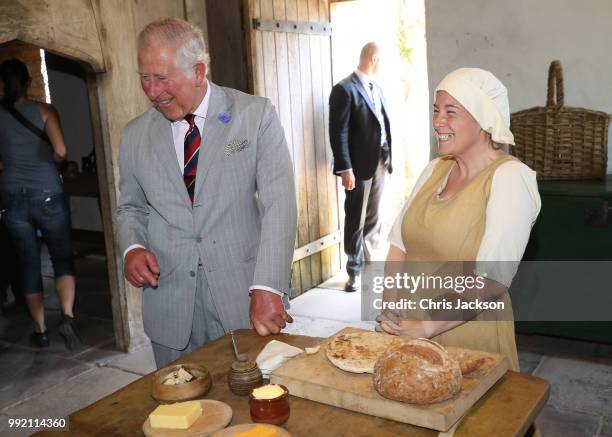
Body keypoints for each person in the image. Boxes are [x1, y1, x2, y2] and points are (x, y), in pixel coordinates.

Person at [117, 18, 297, 368]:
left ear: (199, 72)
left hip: (244, 300)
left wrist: (269, 286)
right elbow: (131, 208)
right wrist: (133, 248)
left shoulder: (254, 117)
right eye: (145, 78)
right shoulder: (135, 135)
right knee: (179, 415)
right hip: (169, 308)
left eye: (163, 79)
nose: (152, 92)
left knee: (255, 411)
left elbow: (280, 205)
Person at [376, 68, 541, 372]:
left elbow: (492, 281)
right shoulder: (434, 170)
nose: (438, 121)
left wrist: (427, 326)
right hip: (410, 330)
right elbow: (399, 246)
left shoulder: (509, 179)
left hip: (467, 337)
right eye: (436, 111)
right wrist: (391, 309)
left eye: (451, 112)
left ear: (483, 120)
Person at [0, 58, 81, 349]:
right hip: (47, 191)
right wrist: (49, 161)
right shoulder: (44, 110)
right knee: (62, 258)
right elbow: (61, 151)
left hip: (11, 196)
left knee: (28, 262)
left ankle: (40, 329)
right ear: (28, 82)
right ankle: (68, 318)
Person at [329, 42, 392, 292]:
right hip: (357, 166)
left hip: (379, 161)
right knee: (356, 217)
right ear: (373, 58)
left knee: (374, 217)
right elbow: (338, 133)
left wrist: (388, 157)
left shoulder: (377, 88)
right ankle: (354, 271)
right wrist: (345, 169)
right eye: (382, 60)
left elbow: (383, 123)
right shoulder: (344, 90)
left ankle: (370, 267)